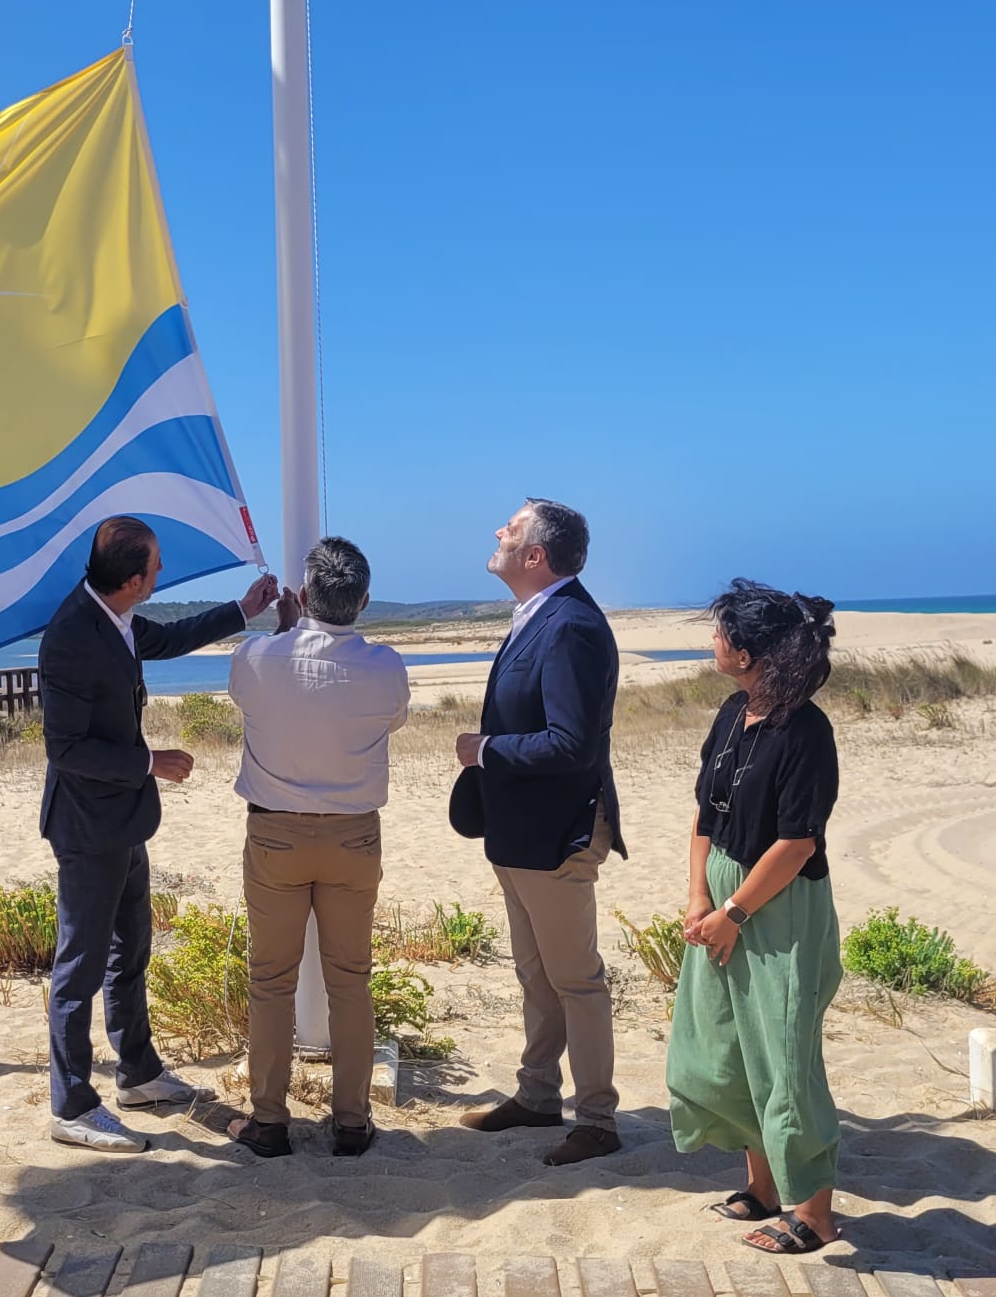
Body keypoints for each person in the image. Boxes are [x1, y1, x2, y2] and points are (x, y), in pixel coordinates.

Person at [39, 516, 279, 1152]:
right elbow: (65, 749)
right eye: (156, 564)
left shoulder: (114, 616)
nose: (163, 571)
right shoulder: (71, 635)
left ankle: (137, 1073)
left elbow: (167, 640)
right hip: (88, 827)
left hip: (124, 821)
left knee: (131, 949)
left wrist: (241, 610)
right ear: (133, 578)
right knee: (79, 966)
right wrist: (152, 762)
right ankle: (72, 1106)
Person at [667, 580, 843, 1254]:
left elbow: (798, 842)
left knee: (784, 1057)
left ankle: (815, 1214)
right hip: (721, 904)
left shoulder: (806, 730)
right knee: (717, 1050)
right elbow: (705, 816)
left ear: (747, 650)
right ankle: (763, 1187)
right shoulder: (732, 713)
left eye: (719, 632)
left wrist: (735, 911)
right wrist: (698, 899)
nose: (713, 641)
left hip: (778, 907)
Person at [224, 536, 410, 1158]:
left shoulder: (255, 658)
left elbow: (254, 691)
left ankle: (269, 1120)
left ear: (304, 596)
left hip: (275, 832)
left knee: (271, 980)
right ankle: (352, 1122)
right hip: (353, 835)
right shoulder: (385, 665)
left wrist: (282, 632)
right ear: (362, 600)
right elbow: (390, 718)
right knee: (350, 979)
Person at [453, 499, 626, 1164]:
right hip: (518, 835)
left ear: (536, 556)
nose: (497, 530)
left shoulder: (572, 626)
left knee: (576, 980)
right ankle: (537, 1096)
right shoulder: (539, 616)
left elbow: (572, 745)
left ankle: (599, 1120)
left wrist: (488, 750)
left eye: (511, 527)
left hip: (557, 835)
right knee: (537, 976)